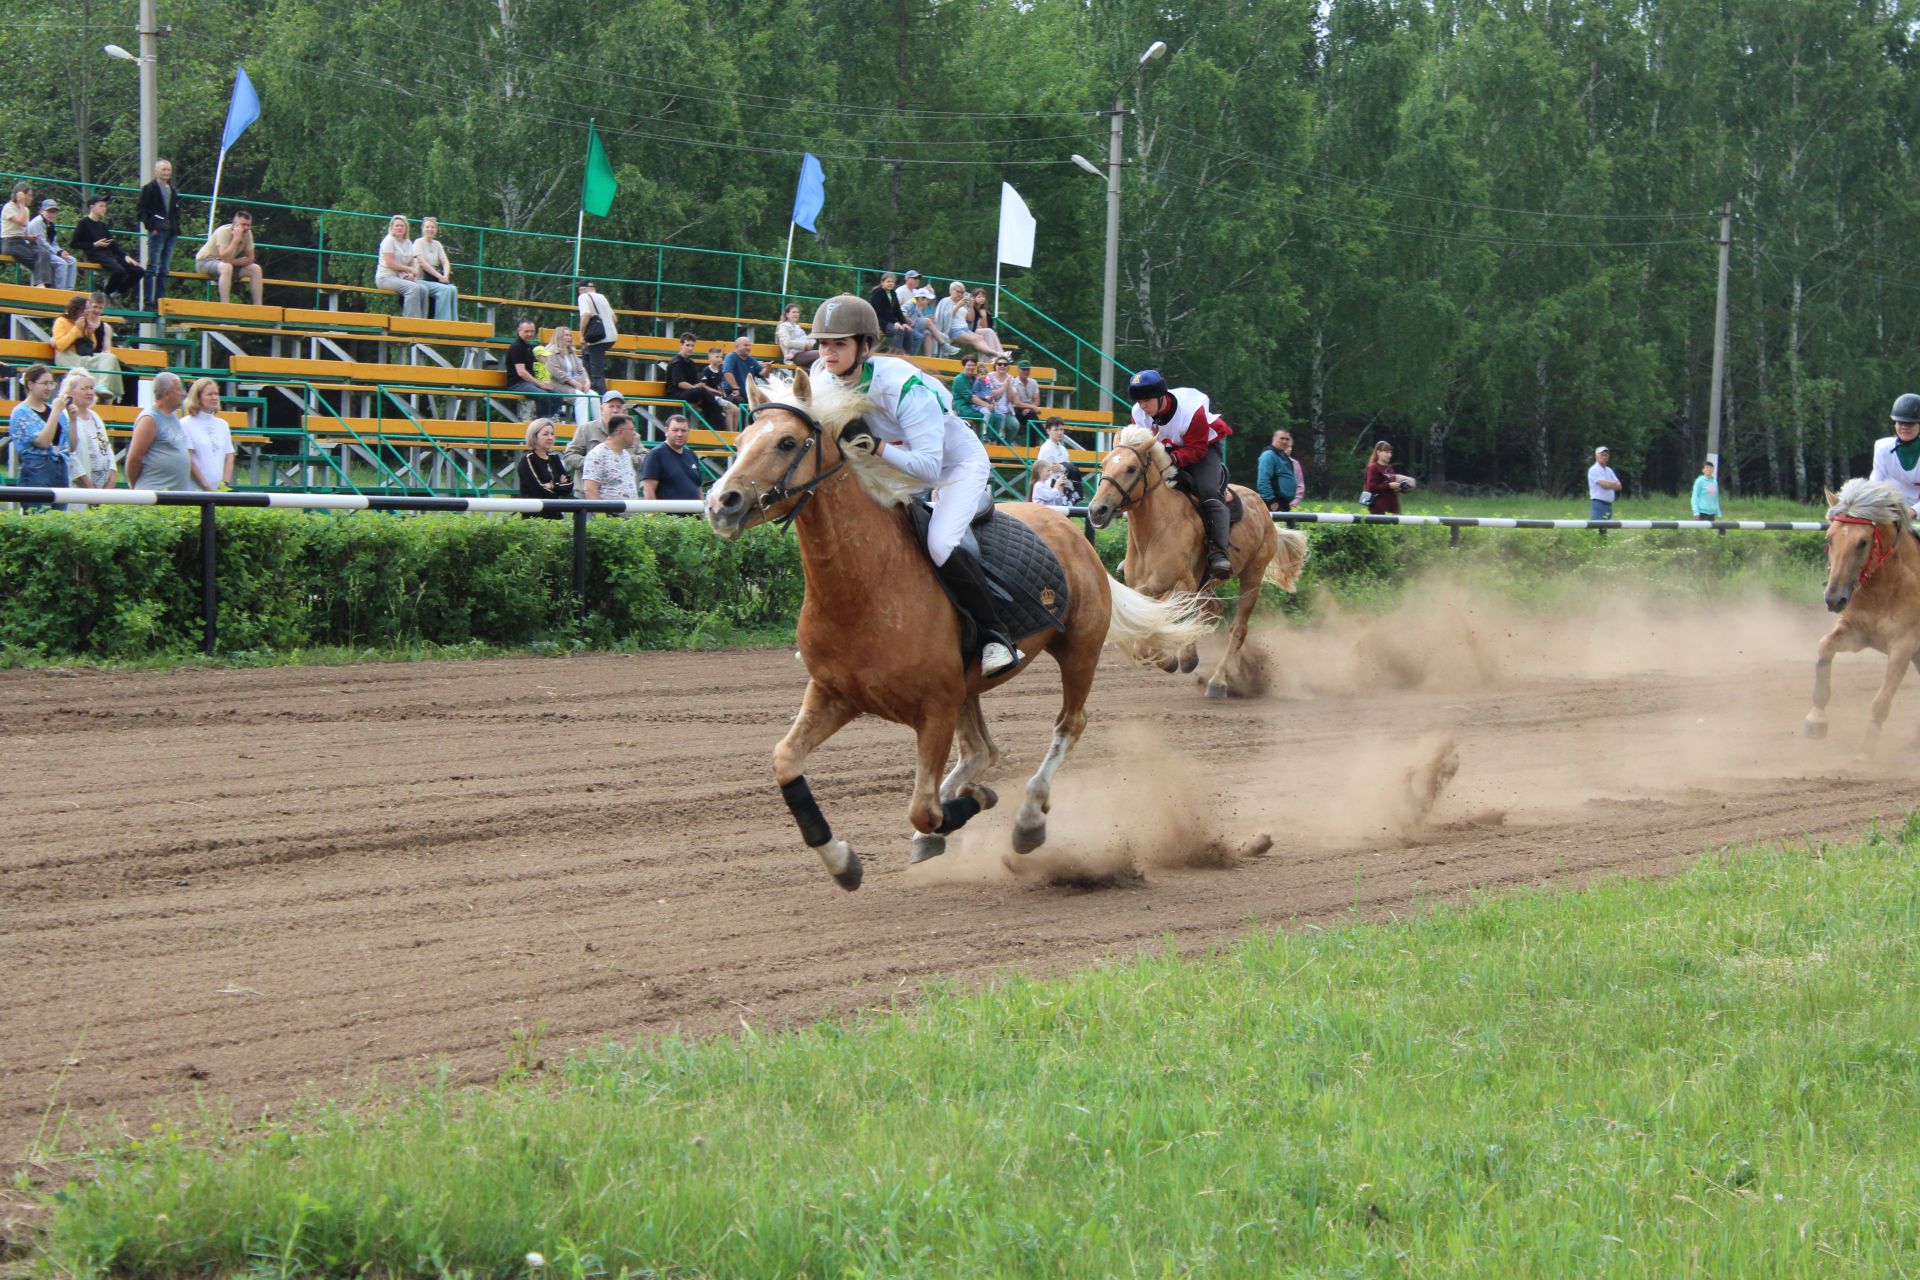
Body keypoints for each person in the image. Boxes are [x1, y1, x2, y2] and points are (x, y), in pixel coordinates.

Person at [810, 293, 1022, 676]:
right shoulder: (820, 377)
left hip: (953, 468)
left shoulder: (905, 387)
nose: (828, 353)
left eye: (839, 344)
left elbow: (927, 469)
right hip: (890, 471)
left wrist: (873, 446)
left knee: (940, 544)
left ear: (866, 346)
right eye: (823, 343)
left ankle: (996, 635)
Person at [1126, 368, 1236, 579]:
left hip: (1201, 450)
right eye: (1139, 401)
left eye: (1147, 400)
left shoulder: (1192, 409)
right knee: (1141, 492)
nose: (1142, 406)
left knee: (1207, 491)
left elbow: (1197, 449)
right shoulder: (1138, 413)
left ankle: (1218, 554)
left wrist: (1173, 459)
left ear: (1162, 396)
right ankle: (1137, 555)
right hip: (1164, 453)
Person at [125, 371, 207, 492]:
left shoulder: (172, 415)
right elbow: (134, 459)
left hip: (174, 498)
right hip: (154, 497)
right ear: (167, 393)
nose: (183, 394)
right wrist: (136, 487)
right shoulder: (149, 419)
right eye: (179, 389)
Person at [7, 365, 69, 509]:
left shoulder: (54, 410)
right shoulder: (20, 412)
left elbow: (72, 444)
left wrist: (72, 419)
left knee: (59, 522)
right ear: (30, 384)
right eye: (44, 383)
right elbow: (43, 442)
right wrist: (55, 412)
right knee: (39, 518)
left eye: (51, 383)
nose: (49, 387)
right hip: (36, 471)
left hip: (60, 468)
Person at [51, 293, 124, 403]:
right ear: (78, 310)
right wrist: (76, 328)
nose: (88, 311)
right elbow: (61, 345)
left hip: (83, 357)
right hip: (66, 356)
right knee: (92, 371)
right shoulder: (61, 321)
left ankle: (101, 387)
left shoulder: (84, 321)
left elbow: (92, 346)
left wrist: (89, 333)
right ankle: (98, 393)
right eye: (86, 309)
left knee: (110, 358)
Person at [71, 194, 142, 301]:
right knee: (119, 271)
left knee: (139, 271)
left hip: (109, 255)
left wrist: (125, 256)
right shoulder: (83, 223)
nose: (104, 208)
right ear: (92, 207)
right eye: (101, 206)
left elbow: (112, 244)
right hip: (96, 255)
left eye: (105, 206)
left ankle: (117, 292)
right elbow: (74, 243)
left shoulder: (102, 225)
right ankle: (107, 294)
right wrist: (94, 244)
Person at [666, 332, 737, 431]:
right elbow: (680, 383)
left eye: (692, 346)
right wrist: (695, 387)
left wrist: (697, 386)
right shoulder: (676, 362)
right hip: (676, 393)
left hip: (689, 392)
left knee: (708, 399)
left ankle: (720, 428)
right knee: (703, 392)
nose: (690, 348)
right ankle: (719, 425)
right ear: (681, 345)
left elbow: (694, 382)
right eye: (687, 345)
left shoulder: (690, 363)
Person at [193, 209, 265, 306]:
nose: (246, 228)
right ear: (235, 224)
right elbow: (224, 257)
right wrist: (236, 239)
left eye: (248, 225)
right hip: (205, 262)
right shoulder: (223, 231)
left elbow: (250, 258)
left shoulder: (248, 234)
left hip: (226, 264)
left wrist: (231, 261)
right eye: (243, 225)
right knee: (226, 267)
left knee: (255, 269)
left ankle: (258, 307)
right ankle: (225, 306)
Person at [57, 370, 115, 490]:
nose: (89, 392)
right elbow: (69, 454)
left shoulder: (95, 417)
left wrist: (112, 480)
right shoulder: (64, 417)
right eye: (84, 389)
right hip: (79, 490)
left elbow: (106, 448)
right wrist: (88, 487)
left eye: (91, 388)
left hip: (103, 490)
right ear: (70, 392)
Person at [180, 377, 236, 489]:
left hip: (218, 491)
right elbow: (188, 459)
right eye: (209, 394)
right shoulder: (185, 424)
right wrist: (206, 487)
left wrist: (224, 485)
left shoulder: (223, 424)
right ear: (198, 397)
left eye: (216, 393)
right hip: (194, 490)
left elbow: (229, 456)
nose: (214, 397)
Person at [1869, 393, 1920, 514]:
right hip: (1892, 506)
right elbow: (1875, 484)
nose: (1904, 427)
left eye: (1910, 423)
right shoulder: (1882, 447)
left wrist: (1913, 511)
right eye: (1900, 422)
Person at [375, 215, 432, 318]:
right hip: (386, 278)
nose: (399, 228)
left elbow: (411, 262)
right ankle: (410, 321)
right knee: (413, 288)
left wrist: (411, 274)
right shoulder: (388, 241)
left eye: (402, 226)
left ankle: (423, 322)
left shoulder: (408, 243)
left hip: (401, 278)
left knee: (423, 289)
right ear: (391, 227)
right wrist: (409, 269)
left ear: (406, 228)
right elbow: (390, 263)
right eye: (397, 226)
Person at [503, 317, 560, 418]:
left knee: (558, 396)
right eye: (526, 331)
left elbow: (535, 368)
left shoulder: (528, 346)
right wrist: (540, 384)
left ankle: (546, 420)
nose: (530, 334)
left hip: (528, 382)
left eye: (532, 331)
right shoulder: (517, 347)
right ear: (519, 331)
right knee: (544, 396)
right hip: (517, 384)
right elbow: (521, 372)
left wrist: (544, 382)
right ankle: (542, 425)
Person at [515, 417, 573, 514]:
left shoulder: (554, 458)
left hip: (556, 513)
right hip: (534, 515)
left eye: (552, 434)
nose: (550, 437)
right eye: (545, 434)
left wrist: (551, 486)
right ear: (534, 436)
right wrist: (559, 486)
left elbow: (569, 486)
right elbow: (537, 490)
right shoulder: (528, 459)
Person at [641, 414, 705, 500]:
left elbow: (698, 489)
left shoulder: (691, 455)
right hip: (667, 513)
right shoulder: (656, 455)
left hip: (694, 512)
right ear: (666, 431)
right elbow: (648, 490)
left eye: (683, 430)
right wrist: (654, 513)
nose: (679, 434)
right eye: (675, 430)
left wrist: (702, 512)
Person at [564, 389, 626, 476]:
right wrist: (591, 462)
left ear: (623, 411)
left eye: (618, 407)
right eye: (611, 406)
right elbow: (569, 455)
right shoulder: (586, 429)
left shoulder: (630, 433)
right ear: (601, 409)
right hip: (588, 487)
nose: (615, 410)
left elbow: (643, 456)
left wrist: (625, 459)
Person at [580, 413, 639, 503]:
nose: (635, 434)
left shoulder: (626, 455)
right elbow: (590, 490)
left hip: (631, 516)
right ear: (620, 431)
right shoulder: (597, 454)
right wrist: (601, 516)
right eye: (631, 429)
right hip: (609, 516)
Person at [410, 216, 459, 320]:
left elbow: (445, 261)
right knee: (444, 290)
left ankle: (453, 322)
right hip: (420, 279)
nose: (430, 229)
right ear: (423, 229)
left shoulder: (437, 244)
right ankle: (442, 322)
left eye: (432, 227)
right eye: (427, 227)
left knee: (453, 289)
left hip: (433, 280)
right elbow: (422, 263)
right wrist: (440, 277)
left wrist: (445, 275)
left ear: (436, 230)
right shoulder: (418, 242)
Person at [542, 326, 593, 425]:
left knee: (594, 396)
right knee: (581, 398)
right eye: (566, 335)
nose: (569, 338)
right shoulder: (549, 351)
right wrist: (575, 384)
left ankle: (599, 428)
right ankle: (583, 430)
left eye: (570, 335)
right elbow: (557, 373)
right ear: (559, 336)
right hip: (557, 384)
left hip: (574, 384)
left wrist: (587, 381)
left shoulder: (571, 351)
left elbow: (581, 368)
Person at [576, 281, 618, 394]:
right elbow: (614, 318)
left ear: (582, 289)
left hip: (598, 339)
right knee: (587, 355)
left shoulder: (583, 297)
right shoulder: (601, 297)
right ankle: (590, 388)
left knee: (597, 375)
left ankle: (603, 400)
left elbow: (586, 314)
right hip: (611, 337)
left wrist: (582, 335)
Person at [1, 183, 46, 283]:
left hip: (21, 241)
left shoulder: (25, 210)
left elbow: (21, 231)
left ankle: (42, 284)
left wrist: (29, 237)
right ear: (21, 195)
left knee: (43, 254)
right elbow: (21, 221)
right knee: (34, 260)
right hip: (10, 243)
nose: (31, 198)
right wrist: (21, 204)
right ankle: (40, 285)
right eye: (29, 195)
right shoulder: (9, 207)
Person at [27, 200, 78, 291]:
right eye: (49, 211)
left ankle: (69, 289)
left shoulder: (50, 224)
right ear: (42, 211)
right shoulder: (37, 222)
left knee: (72, 260)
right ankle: (60, 291)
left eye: (54, 212)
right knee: (61, 263)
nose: (52, 214)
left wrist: (61, 251)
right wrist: (58, 253)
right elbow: (42, 243)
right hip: (37, 252)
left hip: (48, 251)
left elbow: (53, 243)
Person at [1362, 440, 1413, 516]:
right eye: (1386, 452)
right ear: (1378, 452)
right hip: (1378, 508)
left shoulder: (1389, 468)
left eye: (1390, 452)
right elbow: (1371, 487)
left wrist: (1398, 487)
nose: (1389, 455)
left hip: (1393, 507)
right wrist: (1388, 486)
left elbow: (1390, 486)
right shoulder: (1373, 467)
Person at [1256, 429, 1298, 512]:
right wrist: (1271, 501)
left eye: (1287, 439)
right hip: (1273, 503)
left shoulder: (1282, 456)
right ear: (1274, 439)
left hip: (1283, 503)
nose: (1284, 441)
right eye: (1281, 438)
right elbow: (1263, 480)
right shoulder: (1269, 455)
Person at [869, 275, 910, 354]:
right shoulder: (878, 293)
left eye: (892, 282)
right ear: (882, 283)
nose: (890, 283)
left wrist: (903, 323)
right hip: (879, 320)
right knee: (898, 331)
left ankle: (909, 355)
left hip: (889, 320)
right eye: (888, 281)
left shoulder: (893, 293)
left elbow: (897, 310)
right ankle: (893, 354)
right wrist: (895, 322)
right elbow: (884, 311)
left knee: (907, 331)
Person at [1005, 357, 1042, 441]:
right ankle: (1043, 436)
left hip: (1029, 409)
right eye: (1023, 369)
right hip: (1017, 409)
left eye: (1027, 370)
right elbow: (1017, 402)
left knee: (1032, 416)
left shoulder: (1033, 382)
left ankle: (1034, 443)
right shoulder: (1014, 382)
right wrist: (1032, 407)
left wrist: (1029, 408)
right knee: (1033, 416)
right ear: (1018, 370)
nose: (1025, 372)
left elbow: (1037, 400)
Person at [723, 334, 764, 404]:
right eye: (745, 345)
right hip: (733, 393)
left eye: (749, 345)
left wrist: (767, 368)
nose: (748, 347)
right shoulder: (731, 356)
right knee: (739, 401)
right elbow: (727, 373)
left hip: (749, 395)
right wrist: (735, 388)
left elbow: (761, 373)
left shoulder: (751, 359)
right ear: (737, 346)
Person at [775, 302, 819, 368]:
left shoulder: (796, 326)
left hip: (802, 354)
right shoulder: (784, 326)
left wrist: (809, 345)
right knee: (820, 354)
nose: (796, 314)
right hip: (792, 357)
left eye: (797, 312)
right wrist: (804, 345)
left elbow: (805, 339)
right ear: (787, 314)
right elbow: (787, 342)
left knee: (817, 363)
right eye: (794, 312)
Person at [1586, 445, 1622, 520]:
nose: (1604, 457)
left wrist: (1609, 484)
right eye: (1602, 455)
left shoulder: (1609, 470)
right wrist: (1613, 484)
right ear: (1596, 457)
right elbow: (1604, 485)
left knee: (1606, 528)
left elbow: (1619, 486)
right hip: (1598, 503)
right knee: (1598, 526)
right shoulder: (1594, 469)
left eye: (1606, 455)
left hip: (1609, 504)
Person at [950, 354, 983, 423]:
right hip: (963, 408)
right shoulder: (959, 379)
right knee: (984, 415)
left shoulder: (974, 378)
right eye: (968, 365)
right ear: (964, 366)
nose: (971, 367)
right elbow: (971, 398)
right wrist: (987, 405)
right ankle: (984, 433)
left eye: (973, 365)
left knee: (995, 416)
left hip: (973, 407)